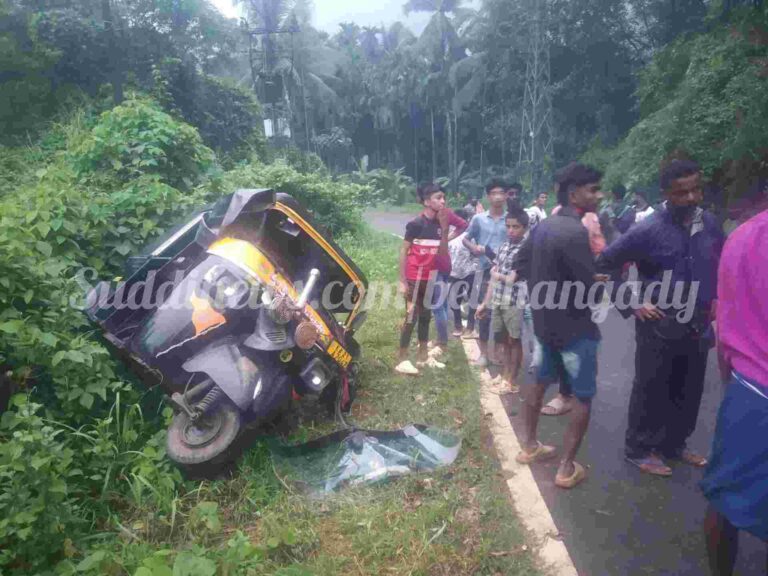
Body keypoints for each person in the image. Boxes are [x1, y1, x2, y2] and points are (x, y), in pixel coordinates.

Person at [597, 159, 725, 476]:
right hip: (659, 325)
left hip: (697, 323)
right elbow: (605, 265)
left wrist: (720, 298)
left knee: (689, 388)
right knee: (652, 388)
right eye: (683, 192)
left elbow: (721, 261)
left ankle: (674, 445)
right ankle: (639, 449)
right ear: (667, 193)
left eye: (696, 189)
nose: (693, 197)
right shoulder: (648, 229)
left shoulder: (709, 223)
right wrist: (633, 301)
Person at [513, 163, 604, 489]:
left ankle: (530, 446)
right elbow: (589, 290)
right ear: (573, 193)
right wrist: (598, 281)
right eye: (593, 189)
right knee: (582, 396)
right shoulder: (576, 231)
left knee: (538, 382)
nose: (599, 195)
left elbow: (519, 264)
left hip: (543, 325)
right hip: (576, 331)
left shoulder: (542, 226)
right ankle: (566, 468)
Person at [700, 202, 768, 576]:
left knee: (725, 498)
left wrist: (730, 379)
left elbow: (725, 322)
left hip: (750, 392)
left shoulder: (742, 236)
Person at [395, 184, 451, 375]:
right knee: (411, 317)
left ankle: (422, 356)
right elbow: (403, 250)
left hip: (430, 278)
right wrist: (402, 281)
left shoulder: (439, 226)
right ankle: (402, 359)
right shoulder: (415, 224)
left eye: (443, 197)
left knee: (426, 317)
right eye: (438, 197)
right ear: (427, 201)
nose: (442, 201)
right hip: (413, 278)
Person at [475, 207, 530, 394]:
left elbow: (511, 279)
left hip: (514, 302)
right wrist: (485, 302)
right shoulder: (504, 246)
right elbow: (494, 280)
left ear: (525, 228)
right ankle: (505, 375)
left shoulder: (525, 249)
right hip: (498, 300)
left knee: (514, 340)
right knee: (503, 340)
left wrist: (495, 274)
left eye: (516, 227)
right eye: (508, 226)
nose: (511, 230)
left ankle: (511, 380)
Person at [462, 179, 510, 367]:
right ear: (488, 196)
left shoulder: (511, 220)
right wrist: (474, 248)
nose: (498, 196)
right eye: (494, 193)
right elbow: (465, 238)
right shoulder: (478, 219)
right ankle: (483, 354)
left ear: (506, 196)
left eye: (501, 193)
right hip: (484, 271)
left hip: (506, 273)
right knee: (484, 312)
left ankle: (498, 352)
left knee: (503, 313)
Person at [445, 209, 479, 338]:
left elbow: (476, 253)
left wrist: (475, 267)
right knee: (454, 301)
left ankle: (471, 327)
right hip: (453, 273)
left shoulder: (470, 237)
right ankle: (458, 326)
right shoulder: (449, 236)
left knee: (472, 300)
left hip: (470, 272)